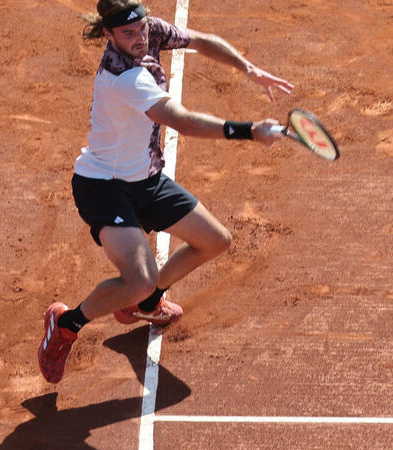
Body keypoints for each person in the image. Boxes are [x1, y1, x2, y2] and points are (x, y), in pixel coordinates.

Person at [38, 0, 293, 384]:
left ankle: (146, 303)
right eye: (128, 33)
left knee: (215, 241)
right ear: (108, 34)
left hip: (146, 177)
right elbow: (182, 122)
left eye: (141, 28)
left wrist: (248, 68)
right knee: (138, 278)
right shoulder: (124, 78)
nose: (139, 38)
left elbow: (201, 41)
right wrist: (249, 131)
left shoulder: (149, 31)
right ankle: (66, 323)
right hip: (104, 186)